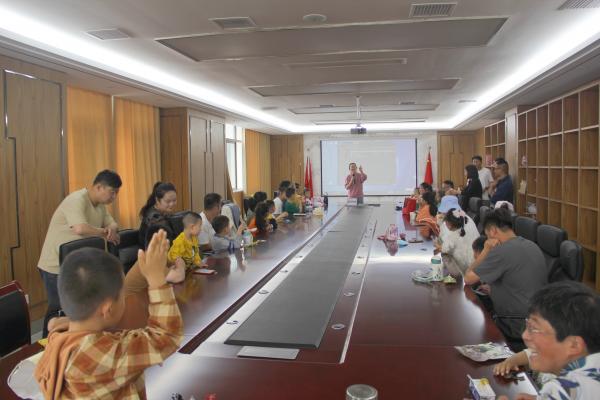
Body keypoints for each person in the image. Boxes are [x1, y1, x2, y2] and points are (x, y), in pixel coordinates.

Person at [34, 230, 183, 399]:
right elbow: (167, 337)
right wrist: (157, 279)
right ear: (108, 309)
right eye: (122, 295)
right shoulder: (101, 355)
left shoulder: (58, 339)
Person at [38, 169, 122, 337]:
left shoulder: (100, 206)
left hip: (74, 265)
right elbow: (80, 228)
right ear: (99, 187)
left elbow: (112, 223)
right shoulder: (77, 199)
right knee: (57, 309)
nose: (114, 197)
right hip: (54, 265)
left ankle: (68, 341)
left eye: (116, 193)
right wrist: (105, 233)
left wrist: (111, 229)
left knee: (74, 310)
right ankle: (46, 345)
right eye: (112, 192)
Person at [497, 281, 600, 400]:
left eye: (534, 328)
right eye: (527, 325)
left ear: (573, 345)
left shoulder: (566, 388)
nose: (525, 335)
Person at [464, 208, 547, 340]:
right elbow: (521, 281)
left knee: (469, 326)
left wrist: (486, 249)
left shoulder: (501, 251)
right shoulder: (532, 245)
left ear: (493, 231)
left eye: (487, 235)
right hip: (538, 321)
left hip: (514, 324)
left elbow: (468, 278)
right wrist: (495, 289)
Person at [436, 208, 480, 276]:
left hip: (465, 268)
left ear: (449, 225)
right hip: (476, 261)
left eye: (446, 222)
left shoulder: (455, 234)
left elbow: (445, 249)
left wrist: (437, 246)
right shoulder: (466, 219)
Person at [139, 181, 177, 247]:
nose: (172, 204)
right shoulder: (154, 218)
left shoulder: (164, 212)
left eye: (174, 200)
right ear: (157, 200)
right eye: (168, 201)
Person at [168, 212, 203, 278]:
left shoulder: (194, 239)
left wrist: (198, 262)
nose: (201, 229)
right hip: (175, 270)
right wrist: (180, 268)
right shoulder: (180, 241)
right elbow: (175, 257)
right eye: (200, 226)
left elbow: (195, 253)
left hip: (187, 270)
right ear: (192, 227)